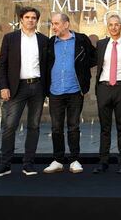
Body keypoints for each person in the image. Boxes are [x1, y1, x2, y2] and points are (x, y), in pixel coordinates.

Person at [0, 7, 48, 177]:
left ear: (37, 20)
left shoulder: (44, 40)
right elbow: (2, 65)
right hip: (17, 88)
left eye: (34, 18)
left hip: (38, 87)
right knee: (9, 126)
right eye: (27, 17)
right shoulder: (10, 38)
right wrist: (4, 86)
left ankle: (28, 165)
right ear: (21, 19)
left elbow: (47, 65)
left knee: (34, 126)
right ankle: (5, 165)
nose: (31, 20)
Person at [43, 13, 96, 174]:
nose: (54, 27)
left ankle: (74, 160)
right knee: (56, 127)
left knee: (73, 127)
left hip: (75, 91)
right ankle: (58, 160)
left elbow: (94, 58)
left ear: (66, 24)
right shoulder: (51, 42)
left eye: (57, 23)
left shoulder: (81, 39)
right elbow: (45, 64)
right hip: (55, 91)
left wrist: (82, 72)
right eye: (52, 23)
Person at [93, 14, 121, 174]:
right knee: (104, 127)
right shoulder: (101, 44)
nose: (114, 27)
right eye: (111, 25)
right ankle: (103, 162)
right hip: (104, 88)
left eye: (117, 24)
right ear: (107, 27)